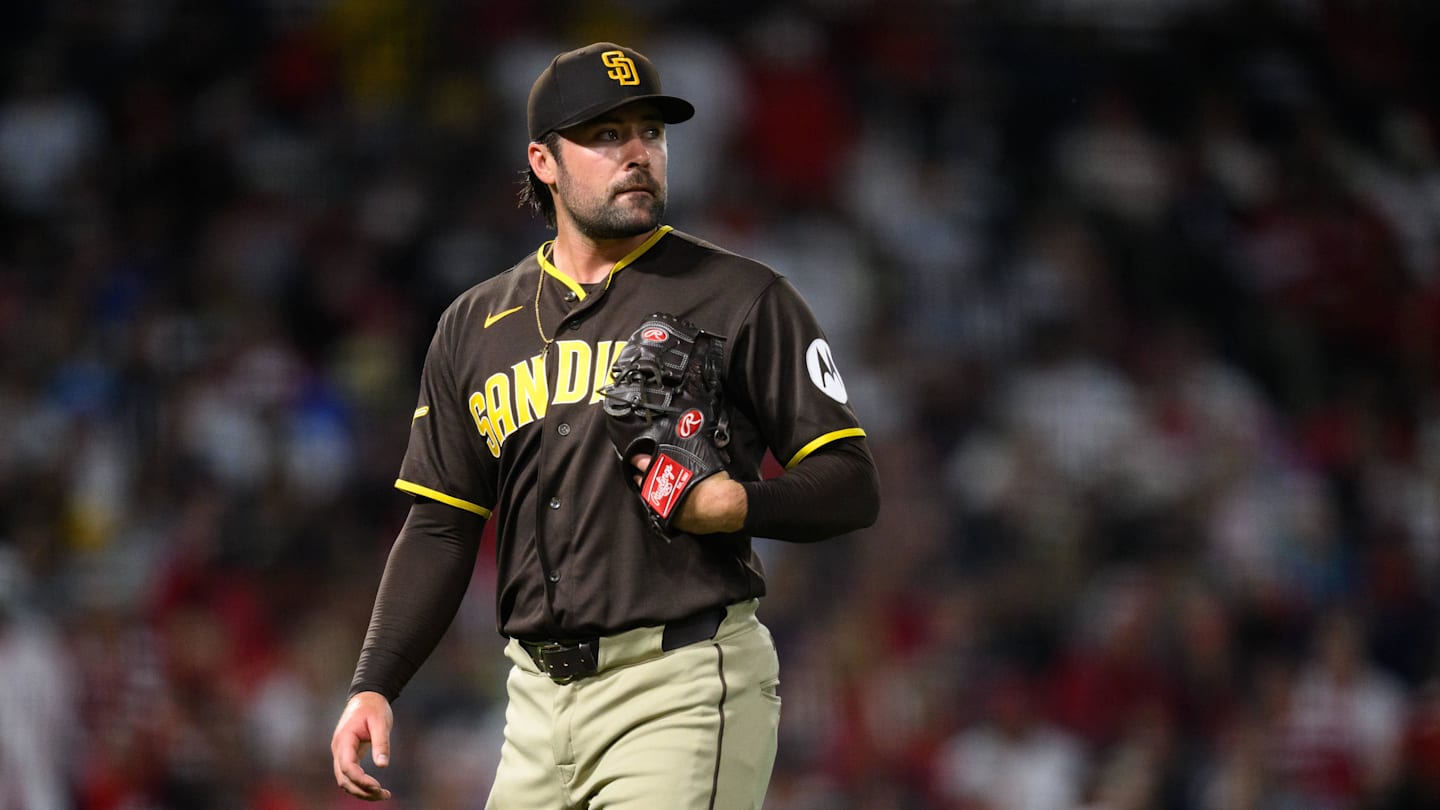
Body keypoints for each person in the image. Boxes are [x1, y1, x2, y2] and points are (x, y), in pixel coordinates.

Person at [330, 41, 880, 809]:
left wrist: (738, 503)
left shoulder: (742, 297)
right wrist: (375, 683)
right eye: (605, 135)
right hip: (533, 707)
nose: (637, 153)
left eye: (651, 132)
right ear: (543, 161)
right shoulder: (475, 325)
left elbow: (852, 484)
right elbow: (441, 527)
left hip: (680, 685)